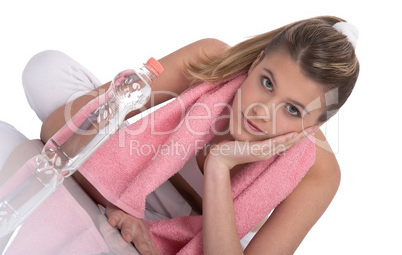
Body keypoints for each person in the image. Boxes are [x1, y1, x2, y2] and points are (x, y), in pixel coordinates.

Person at [2, 15, 359, 254]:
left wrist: (220, 165)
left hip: (208, 231)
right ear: (255, 63)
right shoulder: (216, 62)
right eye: (266, 82)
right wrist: (121, 194)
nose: (261, 112)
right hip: (141, 174)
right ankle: (113, 193)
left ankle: (108, 203)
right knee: (46, 71)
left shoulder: (318, 172)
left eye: (292, 110)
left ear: (314, 126)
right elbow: (57, 133)